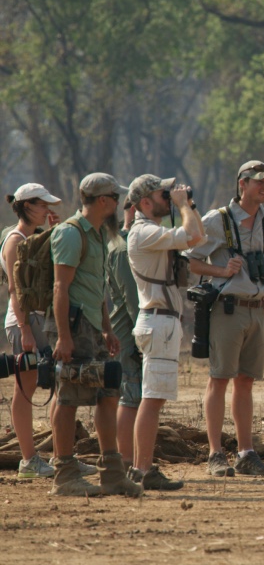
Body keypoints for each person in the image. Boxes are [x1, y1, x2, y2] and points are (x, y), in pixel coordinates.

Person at [48, 173, 143, 497]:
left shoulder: (101, 233)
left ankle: (112, 473)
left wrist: (106, 328)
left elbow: (98, 287)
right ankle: (65, 474)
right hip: (74, 327)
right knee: (69, 397)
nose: (119, 203)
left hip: (94, 327)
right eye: (115, 198)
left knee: (108, 393)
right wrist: (64, 337)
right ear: (103, 200)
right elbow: (60, 288)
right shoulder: (71, 234)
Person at [185, 160, 264, 477]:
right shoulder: (217, 220)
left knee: (246, 381)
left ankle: (246, 453)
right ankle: (215, 454)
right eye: (258, 181)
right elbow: (193, 263)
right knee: (219, 378)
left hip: (257, 310)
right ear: (242, 184)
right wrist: (221, 271)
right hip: (227, 309)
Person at [125, 174, 205, 491]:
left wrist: (189, 204)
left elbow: (196, 236)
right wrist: (184, 205)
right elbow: (192, 234)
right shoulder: (144, 232)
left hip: (161, 321)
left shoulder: (151, 230)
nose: (167, 197)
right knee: (152, 399)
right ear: (145, 202)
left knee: (153, 399)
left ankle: (141, 467)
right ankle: (142, 469)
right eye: (162, 193)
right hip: (158, 320)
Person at [3, 184, 62, 479]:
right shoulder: (15, 240)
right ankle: (28, 460)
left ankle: (57, 456)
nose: (47, 210)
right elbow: (16, 289)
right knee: (24, 389)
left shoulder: (33, 238)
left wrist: (55, 232)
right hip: (23, 322)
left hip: (39, 320)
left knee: (50, 382)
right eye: (42, 205)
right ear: (27, 206)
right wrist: (25, 329)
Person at [109, 200, 142, 473]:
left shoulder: (124, 242)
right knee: (129, 396)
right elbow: (133, 301)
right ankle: (126, 461)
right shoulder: (122, 248)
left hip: (126, 330)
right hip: (128, 332)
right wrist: (141, 337)